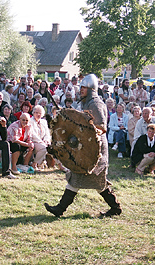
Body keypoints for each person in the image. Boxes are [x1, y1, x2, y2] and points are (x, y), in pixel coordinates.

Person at [44, 74, 122, 218]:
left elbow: (102, 126)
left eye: (84, 88)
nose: (81, 90)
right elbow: (80, 122)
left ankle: (115, 207)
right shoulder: (86, 103)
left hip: (95, 148)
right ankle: (60, 208)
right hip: (87, 146)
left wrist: (88, 133)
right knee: (79, 176)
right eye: (81, 87)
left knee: (97, 181)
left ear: (92, 89)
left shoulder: (95, 104)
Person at [29, 105, 51, 171]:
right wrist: (41, 141)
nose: (38, 114)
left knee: (52, 146)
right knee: (43, 148)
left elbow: (47, 133)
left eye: (40, 113)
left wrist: (46, 140)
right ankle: (34, 163)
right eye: (36, 112)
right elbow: (32, 134)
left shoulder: (44, 122)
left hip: (43, 141)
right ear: (33, 113)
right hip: (34, 141)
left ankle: (60, 165)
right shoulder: (30, 121)